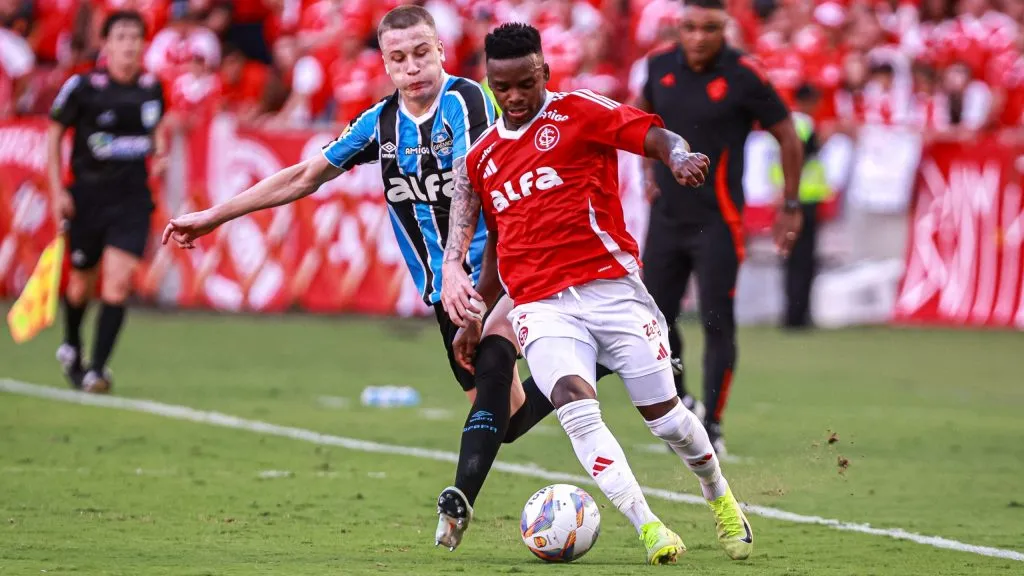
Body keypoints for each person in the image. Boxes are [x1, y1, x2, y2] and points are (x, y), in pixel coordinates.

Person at [160, 5, 552, 553]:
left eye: (422, 53)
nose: (413, 66)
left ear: (441, 50)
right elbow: (304, 175)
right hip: (444, 289)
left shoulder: (465, 100)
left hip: (499, 268)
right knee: (505, 418)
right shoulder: (379, 124)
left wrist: (456, 262)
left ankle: (458, 501)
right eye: (399, 58)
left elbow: (469, 178)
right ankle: (595, 364)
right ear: (386, 65)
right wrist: (213, 215)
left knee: (491, 367)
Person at [441, 22, 753, 565]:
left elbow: (652, 135)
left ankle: (719, 496)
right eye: (501, 87)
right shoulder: (483, 158)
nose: (514, 98)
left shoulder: (579, 112)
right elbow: (499, 253)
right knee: (572, 405)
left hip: (613, 292)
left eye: (525, 84)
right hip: (541, 306)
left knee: (668, 420)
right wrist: (475, 319)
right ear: (489, 81)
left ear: (545, 72)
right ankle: (649, 527)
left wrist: (677, 157)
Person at [636, 0, 804, 454]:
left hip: (719, 221)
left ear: (724, 28)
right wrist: (644, 175)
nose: (697, 38)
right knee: (652, 320)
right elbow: (638, 120)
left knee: (716, 321)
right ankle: (683, 400)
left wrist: (791, 204)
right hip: (666, 219)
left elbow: (788, 134)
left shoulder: (746, 73)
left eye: (709, 29)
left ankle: (713, 423)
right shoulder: (657, 65)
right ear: (678, 27)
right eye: (689, 28)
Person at [50, 10, 168, 394]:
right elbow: (54, 134)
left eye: (136, 37)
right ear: (106, 44)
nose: (130, 44)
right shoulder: (83, 87)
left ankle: (96, 370)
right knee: (81, 284)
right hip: (88, 196)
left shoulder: (152, 88)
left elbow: (158, 134)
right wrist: (57, 190)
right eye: (121, 37)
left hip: (132, 200)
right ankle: (71, 343)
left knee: (117, 285)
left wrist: (161, 154)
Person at [773, 83, 830, 329]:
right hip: (803, 199)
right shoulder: (804, 124)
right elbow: (801, 155)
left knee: (790, 258)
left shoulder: (785, 122)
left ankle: (791, 313)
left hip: (788, 197)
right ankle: (799, 315)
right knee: (803, 259)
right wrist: (822, 142)